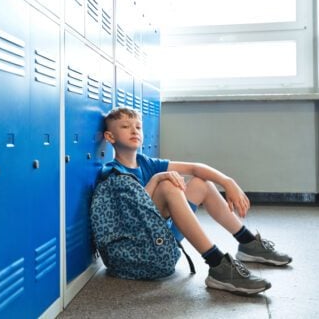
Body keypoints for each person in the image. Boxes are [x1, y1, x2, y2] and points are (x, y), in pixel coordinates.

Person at [100, 106, 292, 295]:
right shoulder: (114, 173)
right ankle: (217, 263)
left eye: (138, 127)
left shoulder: (145, 162)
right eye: (125, 127)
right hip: (139, 253)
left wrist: (228, 182)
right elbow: (136, 215)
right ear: (110, 137)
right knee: (168, 185)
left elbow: (195, 168)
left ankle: (248, 243)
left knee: (201, 183)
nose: (134, 130)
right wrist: (157, 179)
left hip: (160, 242)